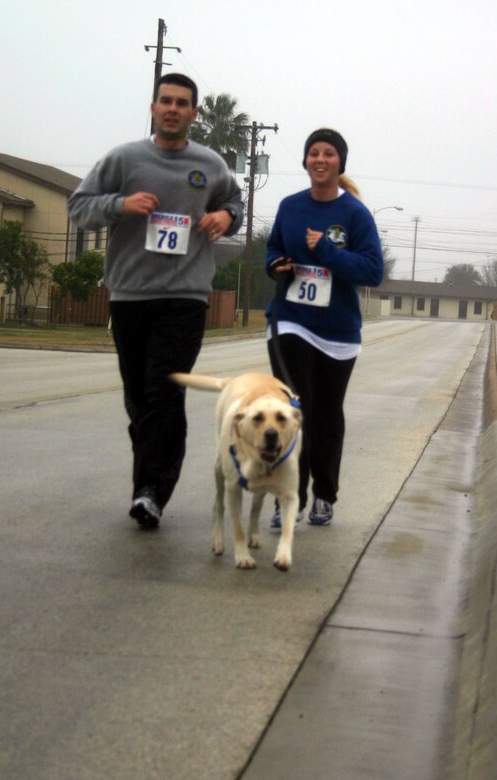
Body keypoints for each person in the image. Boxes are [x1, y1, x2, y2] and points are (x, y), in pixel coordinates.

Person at [68, 73, 243, 529]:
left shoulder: (210, 163)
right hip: (130, 294)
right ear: (153, 108)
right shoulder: (124, 159)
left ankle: (150, 492)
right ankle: (152, 474)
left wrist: (225, 215)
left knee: (164, 388)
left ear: (194, 114)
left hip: (185, 295)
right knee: (138, 396)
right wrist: (120, 206)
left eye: (182, 103)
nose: (172, 109)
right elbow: (78, 207)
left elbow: (234, 205)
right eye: (165, 101)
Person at [265, 128, 383, 528]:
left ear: (339, 163)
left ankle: (324, 495)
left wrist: (327, 251)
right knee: (294, 411)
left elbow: (372, 270)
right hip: (290, 322)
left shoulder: (355, 214)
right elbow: (273, 250)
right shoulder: (290, 206)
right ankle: (288, 499)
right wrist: (275, 266)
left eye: (328, 153)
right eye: (313, 152)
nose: (320, 159)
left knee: (326, 415)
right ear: (305, 161)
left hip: (338, 334)